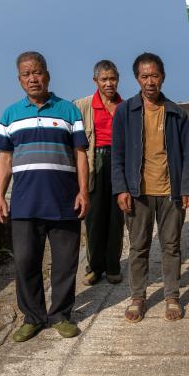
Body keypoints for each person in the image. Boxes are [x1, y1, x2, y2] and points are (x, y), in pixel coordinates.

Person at [0, 51, 89, 342]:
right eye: (26, 74)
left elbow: (80, 154)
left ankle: (61, 315)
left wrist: (84, 191)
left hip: (63, 200)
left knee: (65, 263)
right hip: (24, 203)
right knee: (25, 262)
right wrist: (0, 196)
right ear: (19, 79)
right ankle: (33, 317)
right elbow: (5, 159)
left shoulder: (68, 111)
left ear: (47, 74)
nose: (32, 78)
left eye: (37, 72)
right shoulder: (10, 114)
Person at [111, 52, 189, 323]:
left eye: (155, 75)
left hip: (170, 191)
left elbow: (186, 154)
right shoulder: (125, 112)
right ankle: (138, 297)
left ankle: (172, 295)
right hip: (138, 192)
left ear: (163, 77)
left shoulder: (176, 113)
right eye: (145, 76)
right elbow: (118, 155)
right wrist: (121, 189)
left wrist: (187, 186)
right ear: (137, 79)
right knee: (138, 246)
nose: (150, 81)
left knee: (171, 245)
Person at [74, 60, 124, 286]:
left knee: (116, 216)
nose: (109, 83)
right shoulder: (84, 105)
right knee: (94, 219)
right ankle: (94, 267)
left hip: (117, 163)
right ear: (96, 81)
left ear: (118, 80)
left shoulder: (125, 106)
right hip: (94, 163)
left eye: (112, 78)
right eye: (104, 79)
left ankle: (113, 266)